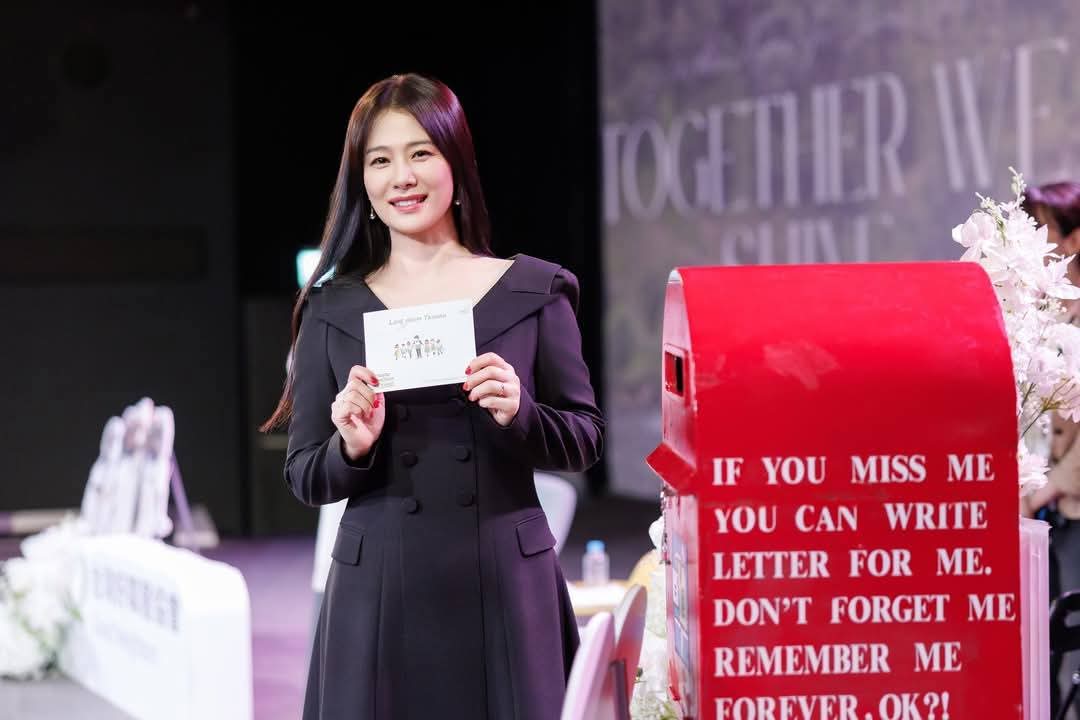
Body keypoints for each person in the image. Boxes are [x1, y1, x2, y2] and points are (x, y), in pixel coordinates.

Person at [260, 73, 604, 720]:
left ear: (456, 164)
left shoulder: (533, 290)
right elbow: (305, 473)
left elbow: (584, 439)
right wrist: (350, 445)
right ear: (361, 180)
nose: (402, 177)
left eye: (420, 153)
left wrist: (522, 413)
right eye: (380, 160)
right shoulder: (332, 308)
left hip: (505, 581)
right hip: (377, 589)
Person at [1020, 181, 1080, 719]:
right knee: (1049, 649)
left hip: (1070, 505)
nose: (1035, 240)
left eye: (1044, 228)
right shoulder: (1041, 313)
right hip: (1045, 511)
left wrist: (1053, 485)